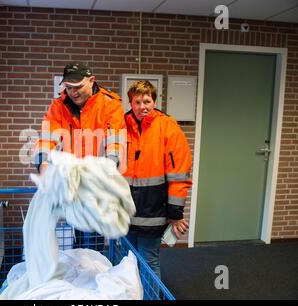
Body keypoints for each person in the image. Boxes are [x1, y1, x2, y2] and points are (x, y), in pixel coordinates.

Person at [33, 62, 126, 250]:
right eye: (68, 88)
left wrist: (105, 171)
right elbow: (45, 138)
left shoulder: (110, 105)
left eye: (78, 87)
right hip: (72, 185)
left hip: (96, 186)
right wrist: (43, 167)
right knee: (74, 238)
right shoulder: (58, 107)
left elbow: (115, 142)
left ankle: (92, 272)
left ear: (91, 81)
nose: (73, 92)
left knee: (91, 242)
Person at [123, 80, 192, 279]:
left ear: (154, 101)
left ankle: (150, 295)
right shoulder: (120, 125)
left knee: (148, 259)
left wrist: (175, 212)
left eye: (147, 101)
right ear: (131, 103)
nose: (142, 107)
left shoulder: (168, 127)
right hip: (125, 209)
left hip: (154, 209)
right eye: (137, 102)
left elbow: (179, 173)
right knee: (127, 259)